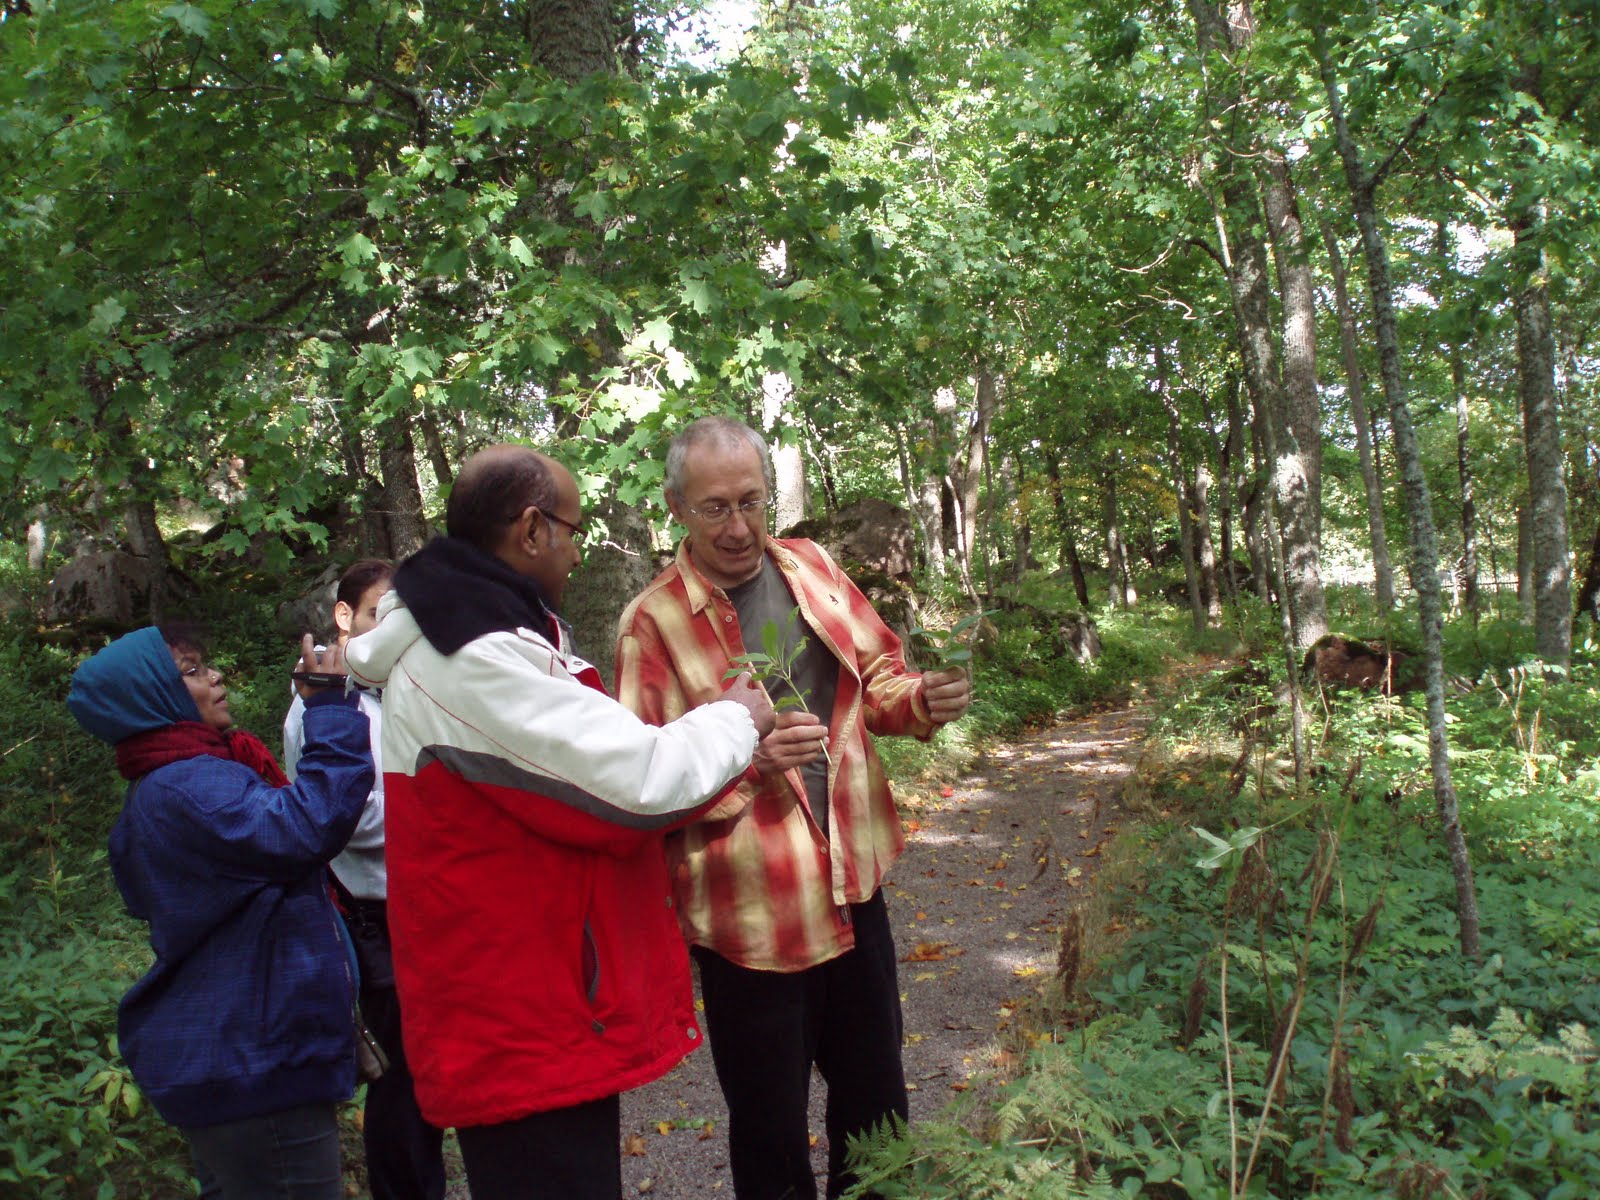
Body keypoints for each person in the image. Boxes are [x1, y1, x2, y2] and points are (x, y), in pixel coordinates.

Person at [343, 444, 776, 1200]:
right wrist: (735, 721)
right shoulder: (471, 659)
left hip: (533, 1007)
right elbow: (636, 787)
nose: (577, 552)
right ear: (532, 529)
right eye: (572, 530)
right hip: (519, 1023)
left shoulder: (488, 635)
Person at [614, 416, 974, 1200]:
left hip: (853, 884)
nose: (738, 527)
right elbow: (639, 787)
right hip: (753, 918)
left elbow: (878, 673)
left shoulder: (810, 566)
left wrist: (921, 700)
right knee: (771, 1131)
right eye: (715, 508)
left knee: (878, 1106)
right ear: (677, 507)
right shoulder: (653, 624)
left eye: (751, 501)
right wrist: (746, 767)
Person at [67, 623, 372, 1200]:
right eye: (191, 671)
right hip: (256, 1063)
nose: (215, 676)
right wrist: (329, 710)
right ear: (151, 698)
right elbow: (306, 826)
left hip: (239, 1061)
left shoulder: (170, 784)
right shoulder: (188, 786)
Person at [283, 560, 446, 1200]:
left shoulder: (393, 686)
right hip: (375, 913)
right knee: (401, 1083)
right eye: (379, 614)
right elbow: (349, 818)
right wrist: (443, 808)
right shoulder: (319, 704)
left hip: (422, 903)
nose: (393, 629)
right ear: (343, 617)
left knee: (428, 1068)